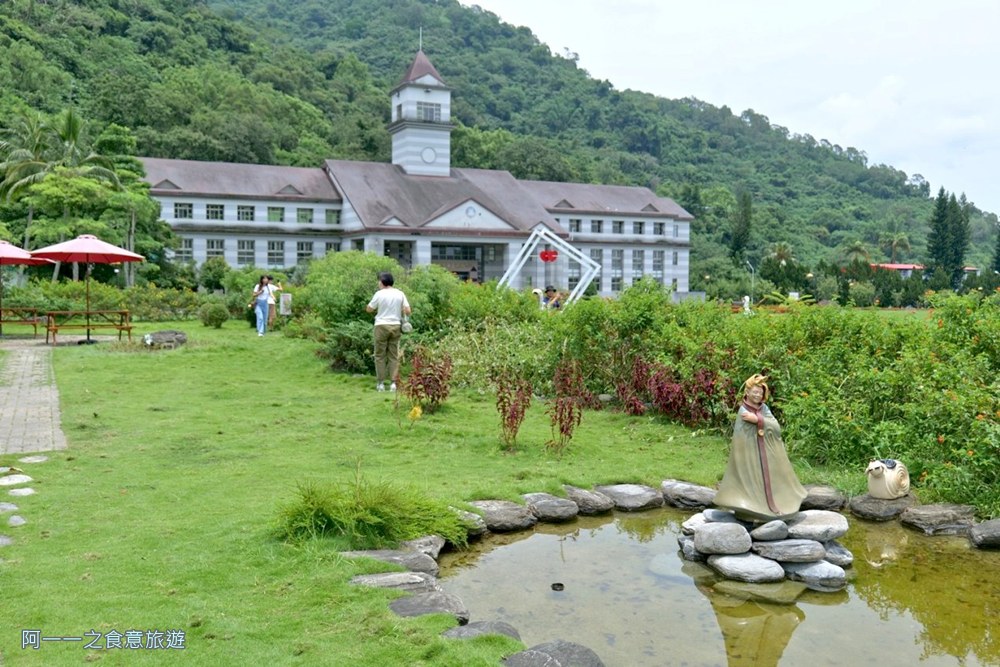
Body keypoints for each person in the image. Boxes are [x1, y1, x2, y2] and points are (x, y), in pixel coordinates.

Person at [713, 374, 807, 521]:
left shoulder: (764, 409)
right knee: (751, 480)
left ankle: (774, 507)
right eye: (755, 392)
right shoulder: (743, 411)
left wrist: (758, 420)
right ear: (747, 392)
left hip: (766, 454)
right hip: (749, 456)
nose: (757, 395)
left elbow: (775, 426)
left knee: (772, 478)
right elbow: (741, 436)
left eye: (760, 393)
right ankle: (749, 509)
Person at [365, 272, 411, 392]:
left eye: (379, 281)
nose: (378, 283)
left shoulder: (379, 294)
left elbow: (369, 309)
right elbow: (407, 310)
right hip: (395, 326)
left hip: (381, 326)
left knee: (380, 355)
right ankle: (393, 384)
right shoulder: (400, 293)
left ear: (382, 281)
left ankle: (380, 383)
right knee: (393, 355)